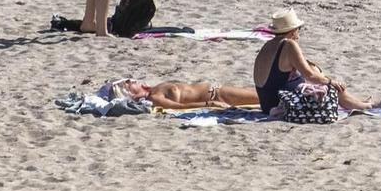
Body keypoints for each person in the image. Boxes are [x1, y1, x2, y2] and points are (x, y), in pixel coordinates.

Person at [253, 9, 381, 115]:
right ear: (293, 31)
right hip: (282, 103)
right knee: (328, 85)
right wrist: (331, 82)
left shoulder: (269, 45)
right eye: (298, 30)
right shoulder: (289, 45)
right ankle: (369, 107)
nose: (298, 35)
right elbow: (309, 76)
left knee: (316, 71)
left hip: (267, 104)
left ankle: (358, 102)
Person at [102, 78, 262, 110]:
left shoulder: (154, 90)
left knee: (263, 94)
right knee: (265, 97)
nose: (132, 80)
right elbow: (179, 106)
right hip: (217, 95)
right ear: (129, 93)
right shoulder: (155, 98)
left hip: (218, 90)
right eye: (128, 83)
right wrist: (210, 104)